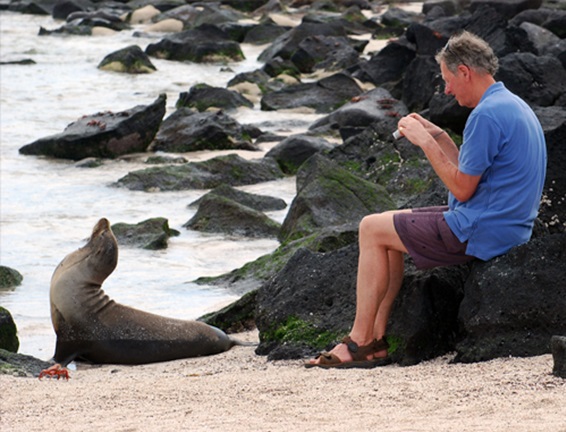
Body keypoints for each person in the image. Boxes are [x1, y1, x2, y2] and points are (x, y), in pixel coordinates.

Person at [306, 31, 547, 369]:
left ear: (464, 71)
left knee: (370, 228)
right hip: (504, 225)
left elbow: (463, 189)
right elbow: (473, 173)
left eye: (448, 80)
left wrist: (424, 143)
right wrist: (440, 135)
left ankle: (360, 340)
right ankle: (372, 343)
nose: (447, 90)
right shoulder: (510, 104)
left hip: (482, 230)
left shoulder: (486, 116)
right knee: (387, 230)